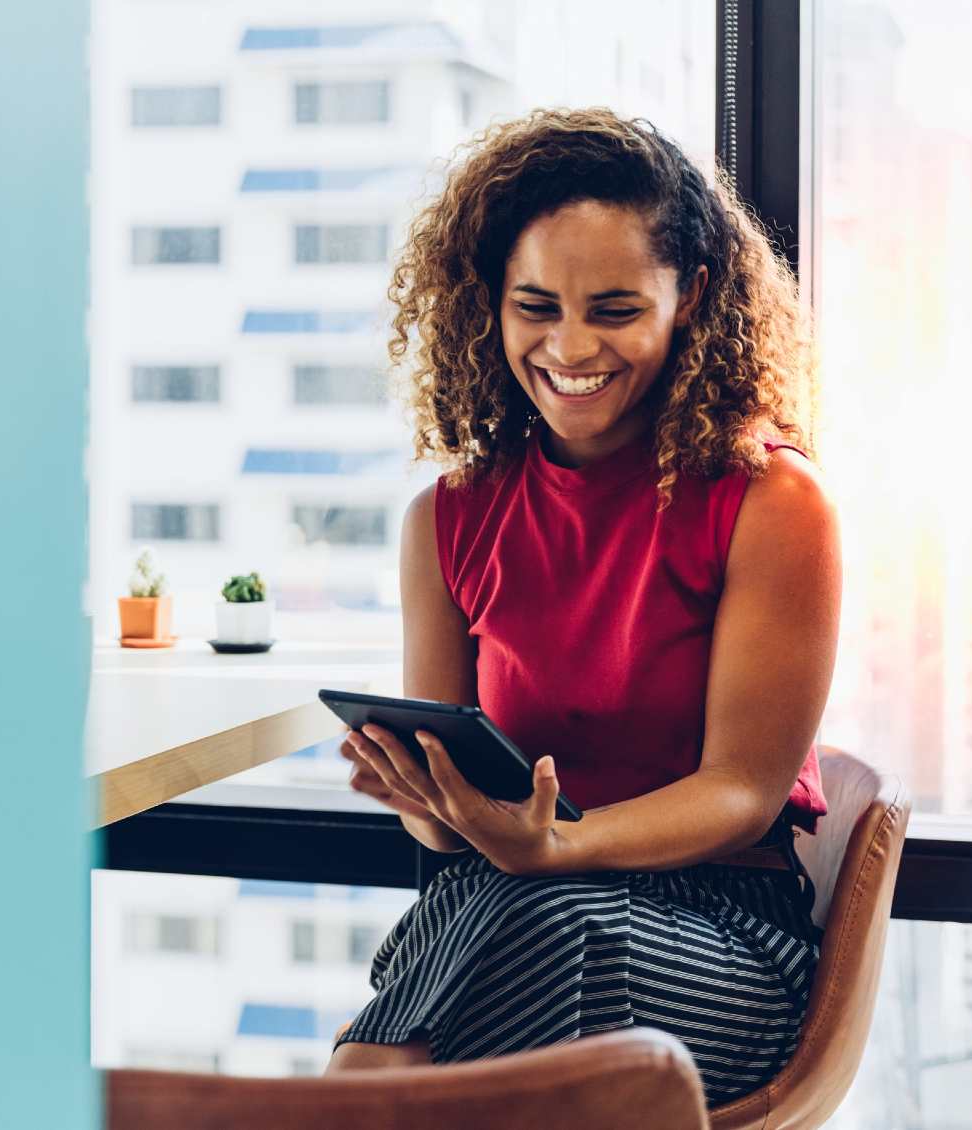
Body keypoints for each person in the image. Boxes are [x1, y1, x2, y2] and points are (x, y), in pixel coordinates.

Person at [327, 108, 840, 1107]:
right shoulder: (445, 519)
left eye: (612, 308)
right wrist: (437, 803)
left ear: (689, 297)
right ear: (491, 306)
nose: (570, 346)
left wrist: (558, 844)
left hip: (720, 932)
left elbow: (743, 787)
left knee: (494, 960)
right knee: (503, 931)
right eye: (536, 306)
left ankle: (350, 1088)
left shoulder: (772, 502)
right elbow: (445, 848)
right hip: (506, 907)